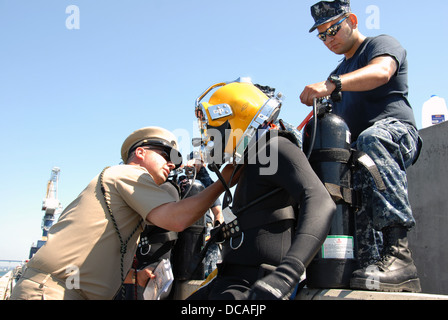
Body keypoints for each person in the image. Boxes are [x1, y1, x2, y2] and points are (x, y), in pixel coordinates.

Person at [11, 126, 238, 300]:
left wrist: (133, 276)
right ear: (140, 152)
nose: (172, 164)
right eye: (166, 155)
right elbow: (176, 219)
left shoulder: (128, 196)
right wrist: (224, 179)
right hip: (54, 291)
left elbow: (95, 251)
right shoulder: (127, 173)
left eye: (176, 160)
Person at [300, 0, 422, 292]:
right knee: (333, 167)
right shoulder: (340, 70)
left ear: (352, 19)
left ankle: (401, 256)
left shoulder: (380, 44)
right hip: (361, 155)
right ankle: (377, 266)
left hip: (395, 134)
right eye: (322, 35)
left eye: (333, 29)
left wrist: (332, 84)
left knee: (370, 139)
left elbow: (381, 72)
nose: (329, 39)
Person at [188, 78, 336, 300]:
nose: (209, 135)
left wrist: (286, 276)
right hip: (228, 282)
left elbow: (320, 201)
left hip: (254, 287)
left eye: (213, 126)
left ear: (236, 118)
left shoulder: (275, 146)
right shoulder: (247, 162)